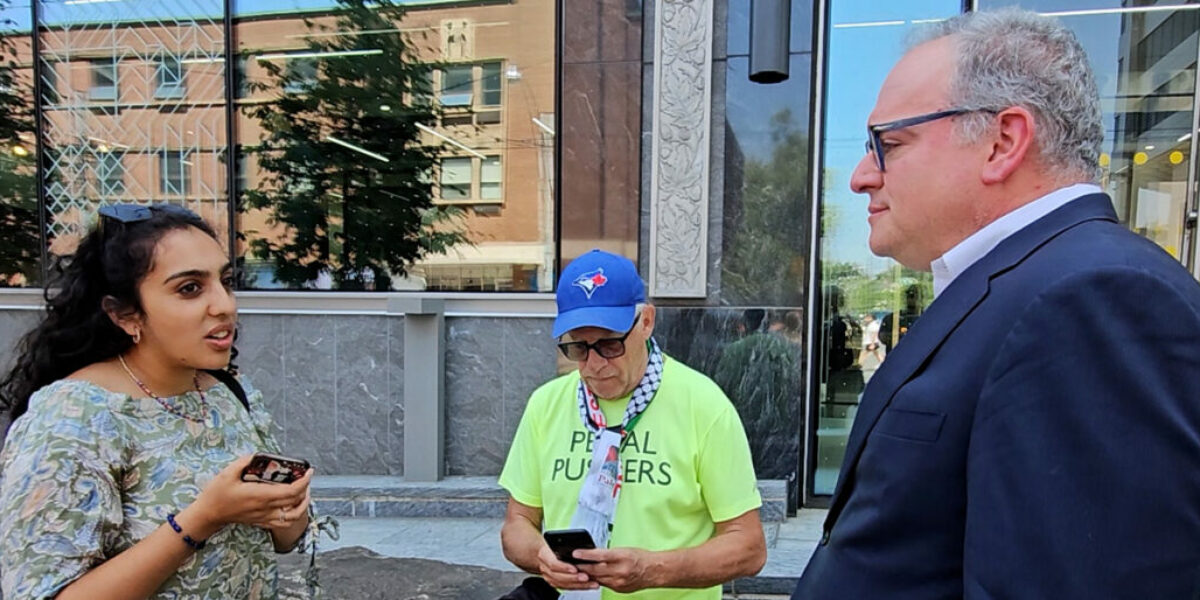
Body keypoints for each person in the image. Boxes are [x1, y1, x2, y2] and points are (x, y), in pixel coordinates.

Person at [793, 9, 1200, 599]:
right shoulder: (1029, 284)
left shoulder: (1094, 298)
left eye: (889, 143)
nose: (860, 176)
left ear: (1003, 141)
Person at [0, 204, 314, 599]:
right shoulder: (73, 418)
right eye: (190, 288)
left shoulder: (226, 391)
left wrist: (285, 506)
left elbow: (281, 541)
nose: (225, 305)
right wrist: (202, 519)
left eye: (226, 281)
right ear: (125, 315)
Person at [499, 249, 766, 599]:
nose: (594, 364)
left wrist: (653, 570)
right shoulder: (545, 405)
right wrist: (541, 557)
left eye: (609, 344)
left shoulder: (703, 405)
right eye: (578, 347)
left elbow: (749, 546)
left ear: (646, 322)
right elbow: (517, 524)